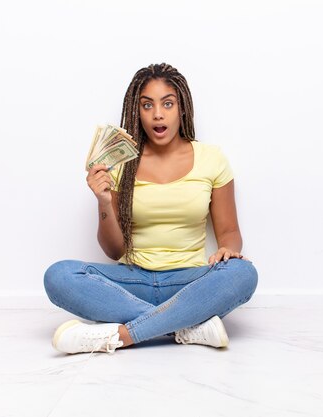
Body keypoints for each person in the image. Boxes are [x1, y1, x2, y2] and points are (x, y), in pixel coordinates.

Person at [43, 63, 258, 355]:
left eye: (167, 104)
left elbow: (230, 232)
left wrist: (228, 250)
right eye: (147, 105)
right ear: (137, 112)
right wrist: (104, 202)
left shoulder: (212, 158)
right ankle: (186, 326)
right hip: (134, 280)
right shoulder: (122, 163)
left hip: (189, 282)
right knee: (58, 276)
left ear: (181, 109)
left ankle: (123, 335)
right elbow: (114, 250)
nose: (158, 113)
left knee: (243, 273)